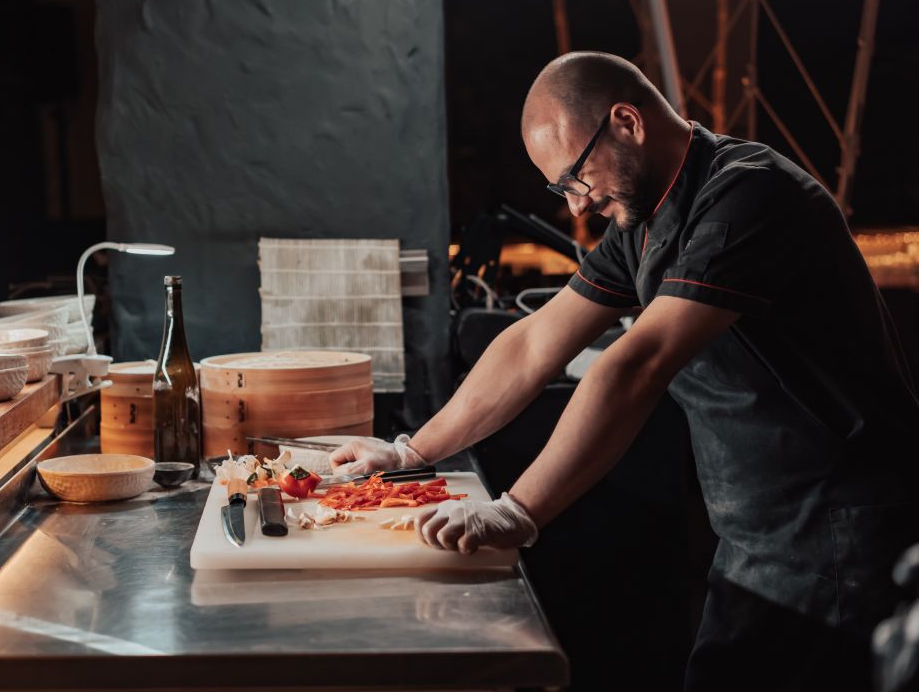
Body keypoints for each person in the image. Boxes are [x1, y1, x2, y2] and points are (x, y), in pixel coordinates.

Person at [331, 52, 919, 690]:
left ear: (626, 122)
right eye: (563, 191)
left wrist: (518, 511)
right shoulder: (645, 220)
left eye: (577, 179)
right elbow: (534, 342)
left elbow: (637, 363)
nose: (579, 207)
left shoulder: (750, 195)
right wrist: (410, 451)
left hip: (843, 532)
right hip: (760, 532)